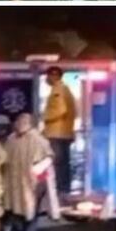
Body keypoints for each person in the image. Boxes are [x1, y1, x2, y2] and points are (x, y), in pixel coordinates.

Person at [2, 112, 53, 231]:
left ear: (30, 123)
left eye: (23, 121)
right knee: (17, 211)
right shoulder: (11, 139)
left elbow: (49, 157)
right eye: (18, 120)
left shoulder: (38, 139)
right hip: (15, 183)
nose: (19, 123)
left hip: (33, 183)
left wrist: (37, 170)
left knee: (30, 213)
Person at [42, 66, 77, 197]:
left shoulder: (58, 89)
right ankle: (64, 188)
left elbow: (61, 109)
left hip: (56, 133)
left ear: (54, 76)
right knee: (63, 162)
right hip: (64, 132)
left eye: (48, 75)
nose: (47, 78)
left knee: (57, 162)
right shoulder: (65, 89)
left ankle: (59, 189)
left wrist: (45, 117)